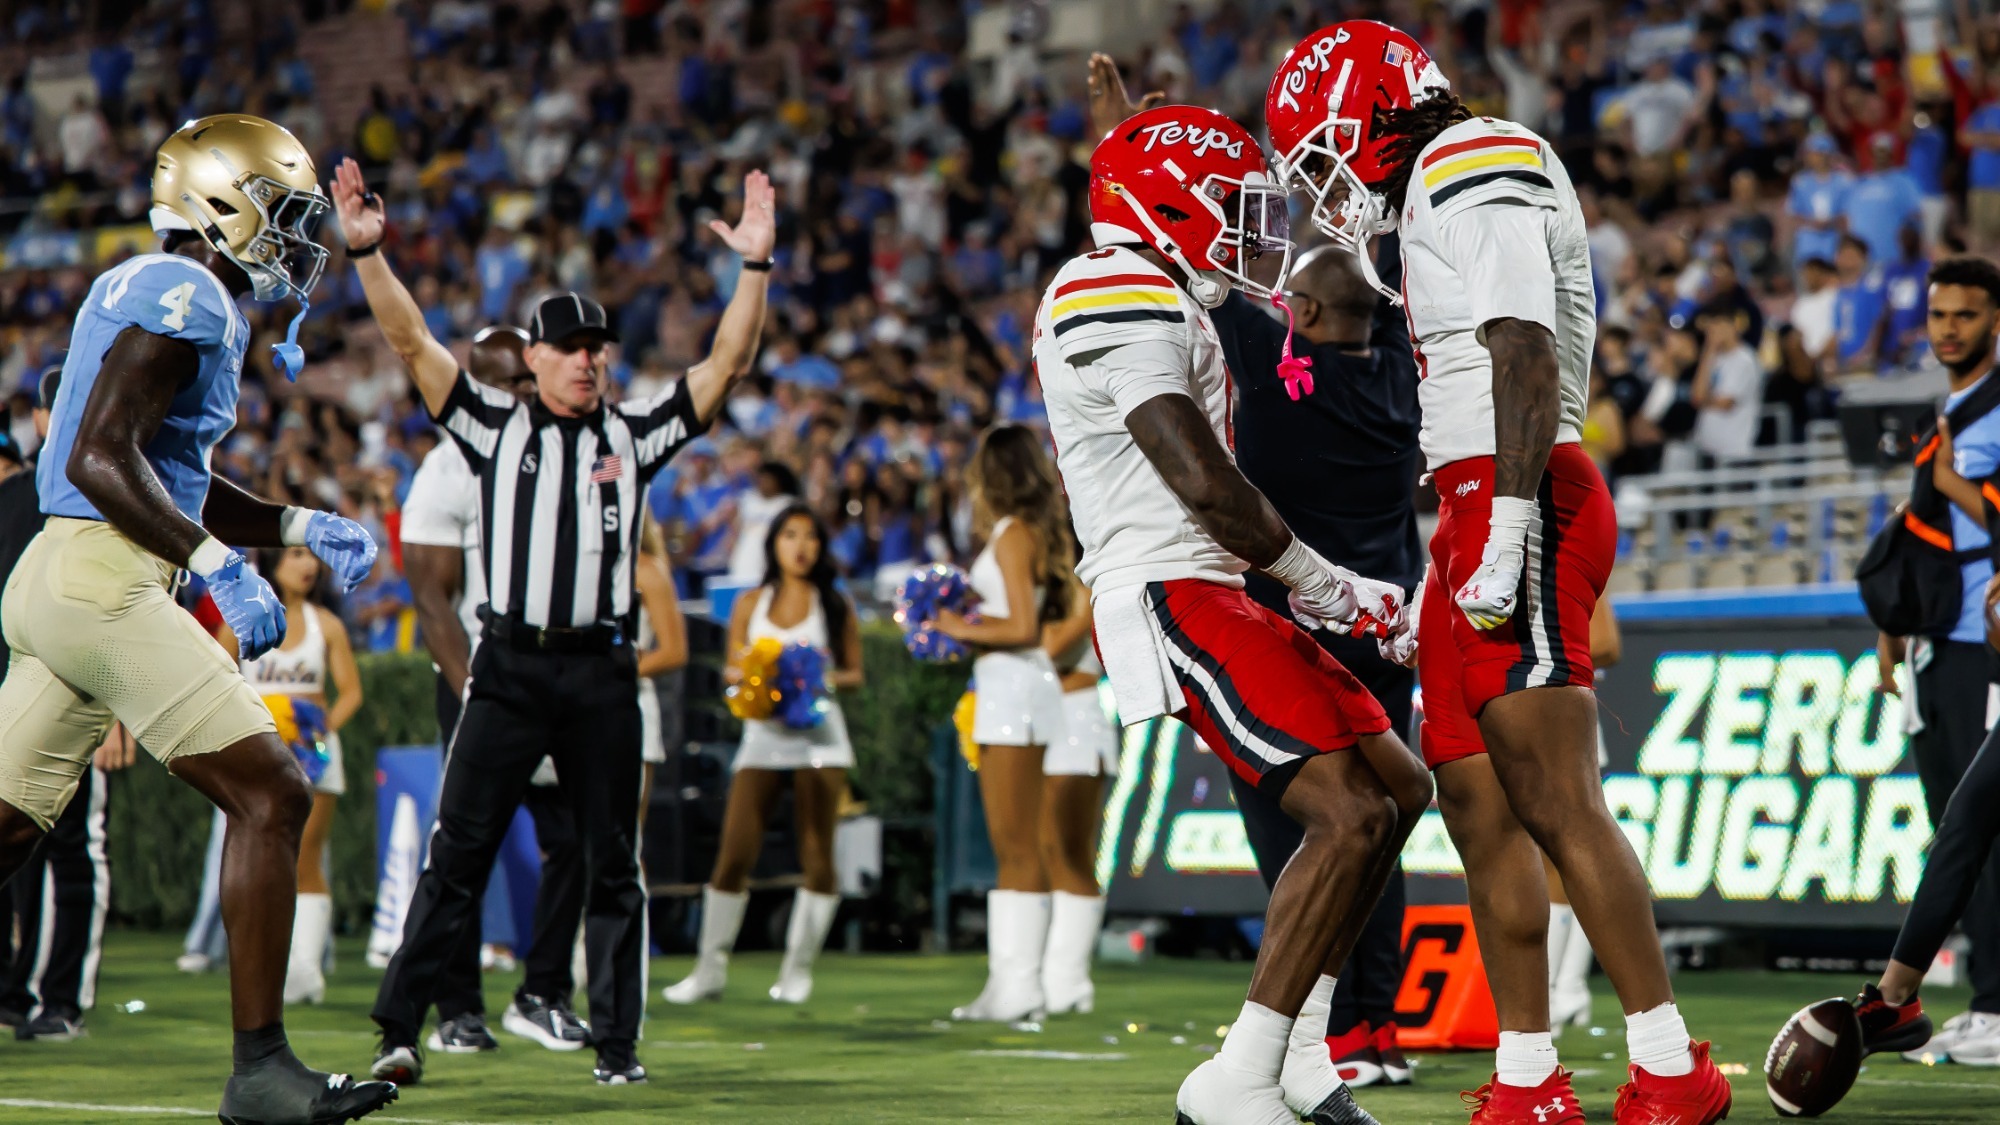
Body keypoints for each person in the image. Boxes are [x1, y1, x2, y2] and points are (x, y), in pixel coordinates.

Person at [1264, 23, 1731, 1124]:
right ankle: (1526, 1079)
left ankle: (1670, 1066)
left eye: (1323, 152)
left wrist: (1509, 525)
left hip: (1524, 489)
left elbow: (1520, 346)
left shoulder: (1472, 157)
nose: (1329, 187)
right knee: (1475, 804)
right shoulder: (1439, 176)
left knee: (1555, 795)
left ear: (1370, 111)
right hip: (1475, 500)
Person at [336, 156, 776, 1087]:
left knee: (613, 860)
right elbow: (414, 345)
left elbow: (728, 361)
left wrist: (756, 269)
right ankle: (398, 1027)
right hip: (509, 664)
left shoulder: (634, 433)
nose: (589, 360)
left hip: (601, 672)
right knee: (460, 849)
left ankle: (615, 1047)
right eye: (570, 347)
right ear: (531, 360)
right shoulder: (493, 428)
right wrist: (368, 254)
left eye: (598, 346)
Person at [1036, 102, 1432, 1125]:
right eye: (1226, 206)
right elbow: (1203, 483)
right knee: (1345, 816)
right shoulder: (1109, 286)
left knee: (1398, 785)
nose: (1245, 230)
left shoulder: (1156, 287)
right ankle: (1235, 1077)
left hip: (1210, 582)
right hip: (1172, 586)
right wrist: (1332, 588)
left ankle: (1301, 1047)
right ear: (1165, 205)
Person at [0, 115, 395, 1124]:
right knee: (272, 794)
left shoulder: (151, 283)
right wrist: (217, 567)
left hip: (62, 574)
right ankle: (260, 1070)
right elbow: (99, 456)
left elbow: (157, 470)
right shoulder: (189, 294)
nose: (298, 242)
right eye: (286, 215)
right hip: (106, 580)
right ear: (228, 206)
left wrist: (289, 522)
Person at [399, 324, 595, 1055]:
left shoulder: (562, 454)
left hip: (555, 679)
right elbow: (431, 600)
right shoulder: (449, 469)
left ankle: (542, 991)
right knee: (467, 846)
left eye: (527, 379)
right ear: (477, 386)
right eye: (509, 382)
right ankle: (456, 1007)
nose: (523, 393)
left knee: (574, 838)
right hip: (482, 681)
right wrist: (478, 688)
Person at [1874, 257, 2000, 1066]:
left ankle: (1993, 1001)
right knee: (1959, 825)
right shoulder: (1954, 406)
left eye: (1966, 314)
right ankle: (1981, 996)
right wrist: (1894, 625)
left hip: (1980, 642)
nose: (1949, 326)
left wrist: (1951, 482)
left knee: (1981, 826)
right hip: (1942, 635)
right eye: (1939, 313)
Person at [662, 503, 860, 1006]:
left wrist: (811, 679)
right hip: (763, 737)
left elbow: (854, 674)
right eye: (790, 534)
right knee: (734, 855)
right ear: (773, 543)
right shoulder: (752, 602)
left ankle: (798, 970)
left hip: (820, 739)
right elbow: (731, 668)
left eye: (811, 536)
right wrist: (758, 678)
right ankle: (709, 970)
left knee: (818, 857)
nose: (801, 546)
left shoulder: (834, 604)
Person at [928, 425, 1076, 1023]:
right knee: (1012, 844)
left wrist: (955, 626)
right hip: (1014, 691)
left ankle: (1022, 988)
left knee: (1016, 846)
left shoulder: (1013, 536)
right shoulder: (1023, 534)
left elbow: (1019, 627)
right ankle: (1006, 982)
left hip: (1014, 692)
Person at [0, 366, 123, 1043]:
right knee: (31, 847)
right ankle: (20, 993)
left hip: (75, 697)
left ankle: (59, 996)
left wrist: (116, 706)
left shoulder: (107, 497)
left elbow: (130, 608)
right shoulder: (21, 498)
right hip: (18, 696)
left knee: (70, 848)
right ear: (44, 421)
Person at [222, 546, 362, 1007]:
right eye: (298, 554)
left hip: (313, 756)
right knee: (253, 861)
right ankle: (260, 965)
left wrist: (317, 734)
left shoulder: (330, 625)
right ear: (273, 562)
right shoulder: (240, 617)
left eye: (312, 557)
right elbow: (214, 677)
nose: (308, 565)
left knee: (307, 859)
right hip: (257, 752)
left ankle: (305, 971)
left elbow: (350, 694)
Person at [1038, 569, 1118, 1017]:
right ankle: (1052, 976)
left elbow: (1047, 652)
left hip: (1077, 722)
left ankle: (1068, 980)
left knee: (1069, 851)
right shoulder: (1042, 593)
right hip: (1042, 722)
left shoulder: (1084, 591)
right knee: (1047, 850)